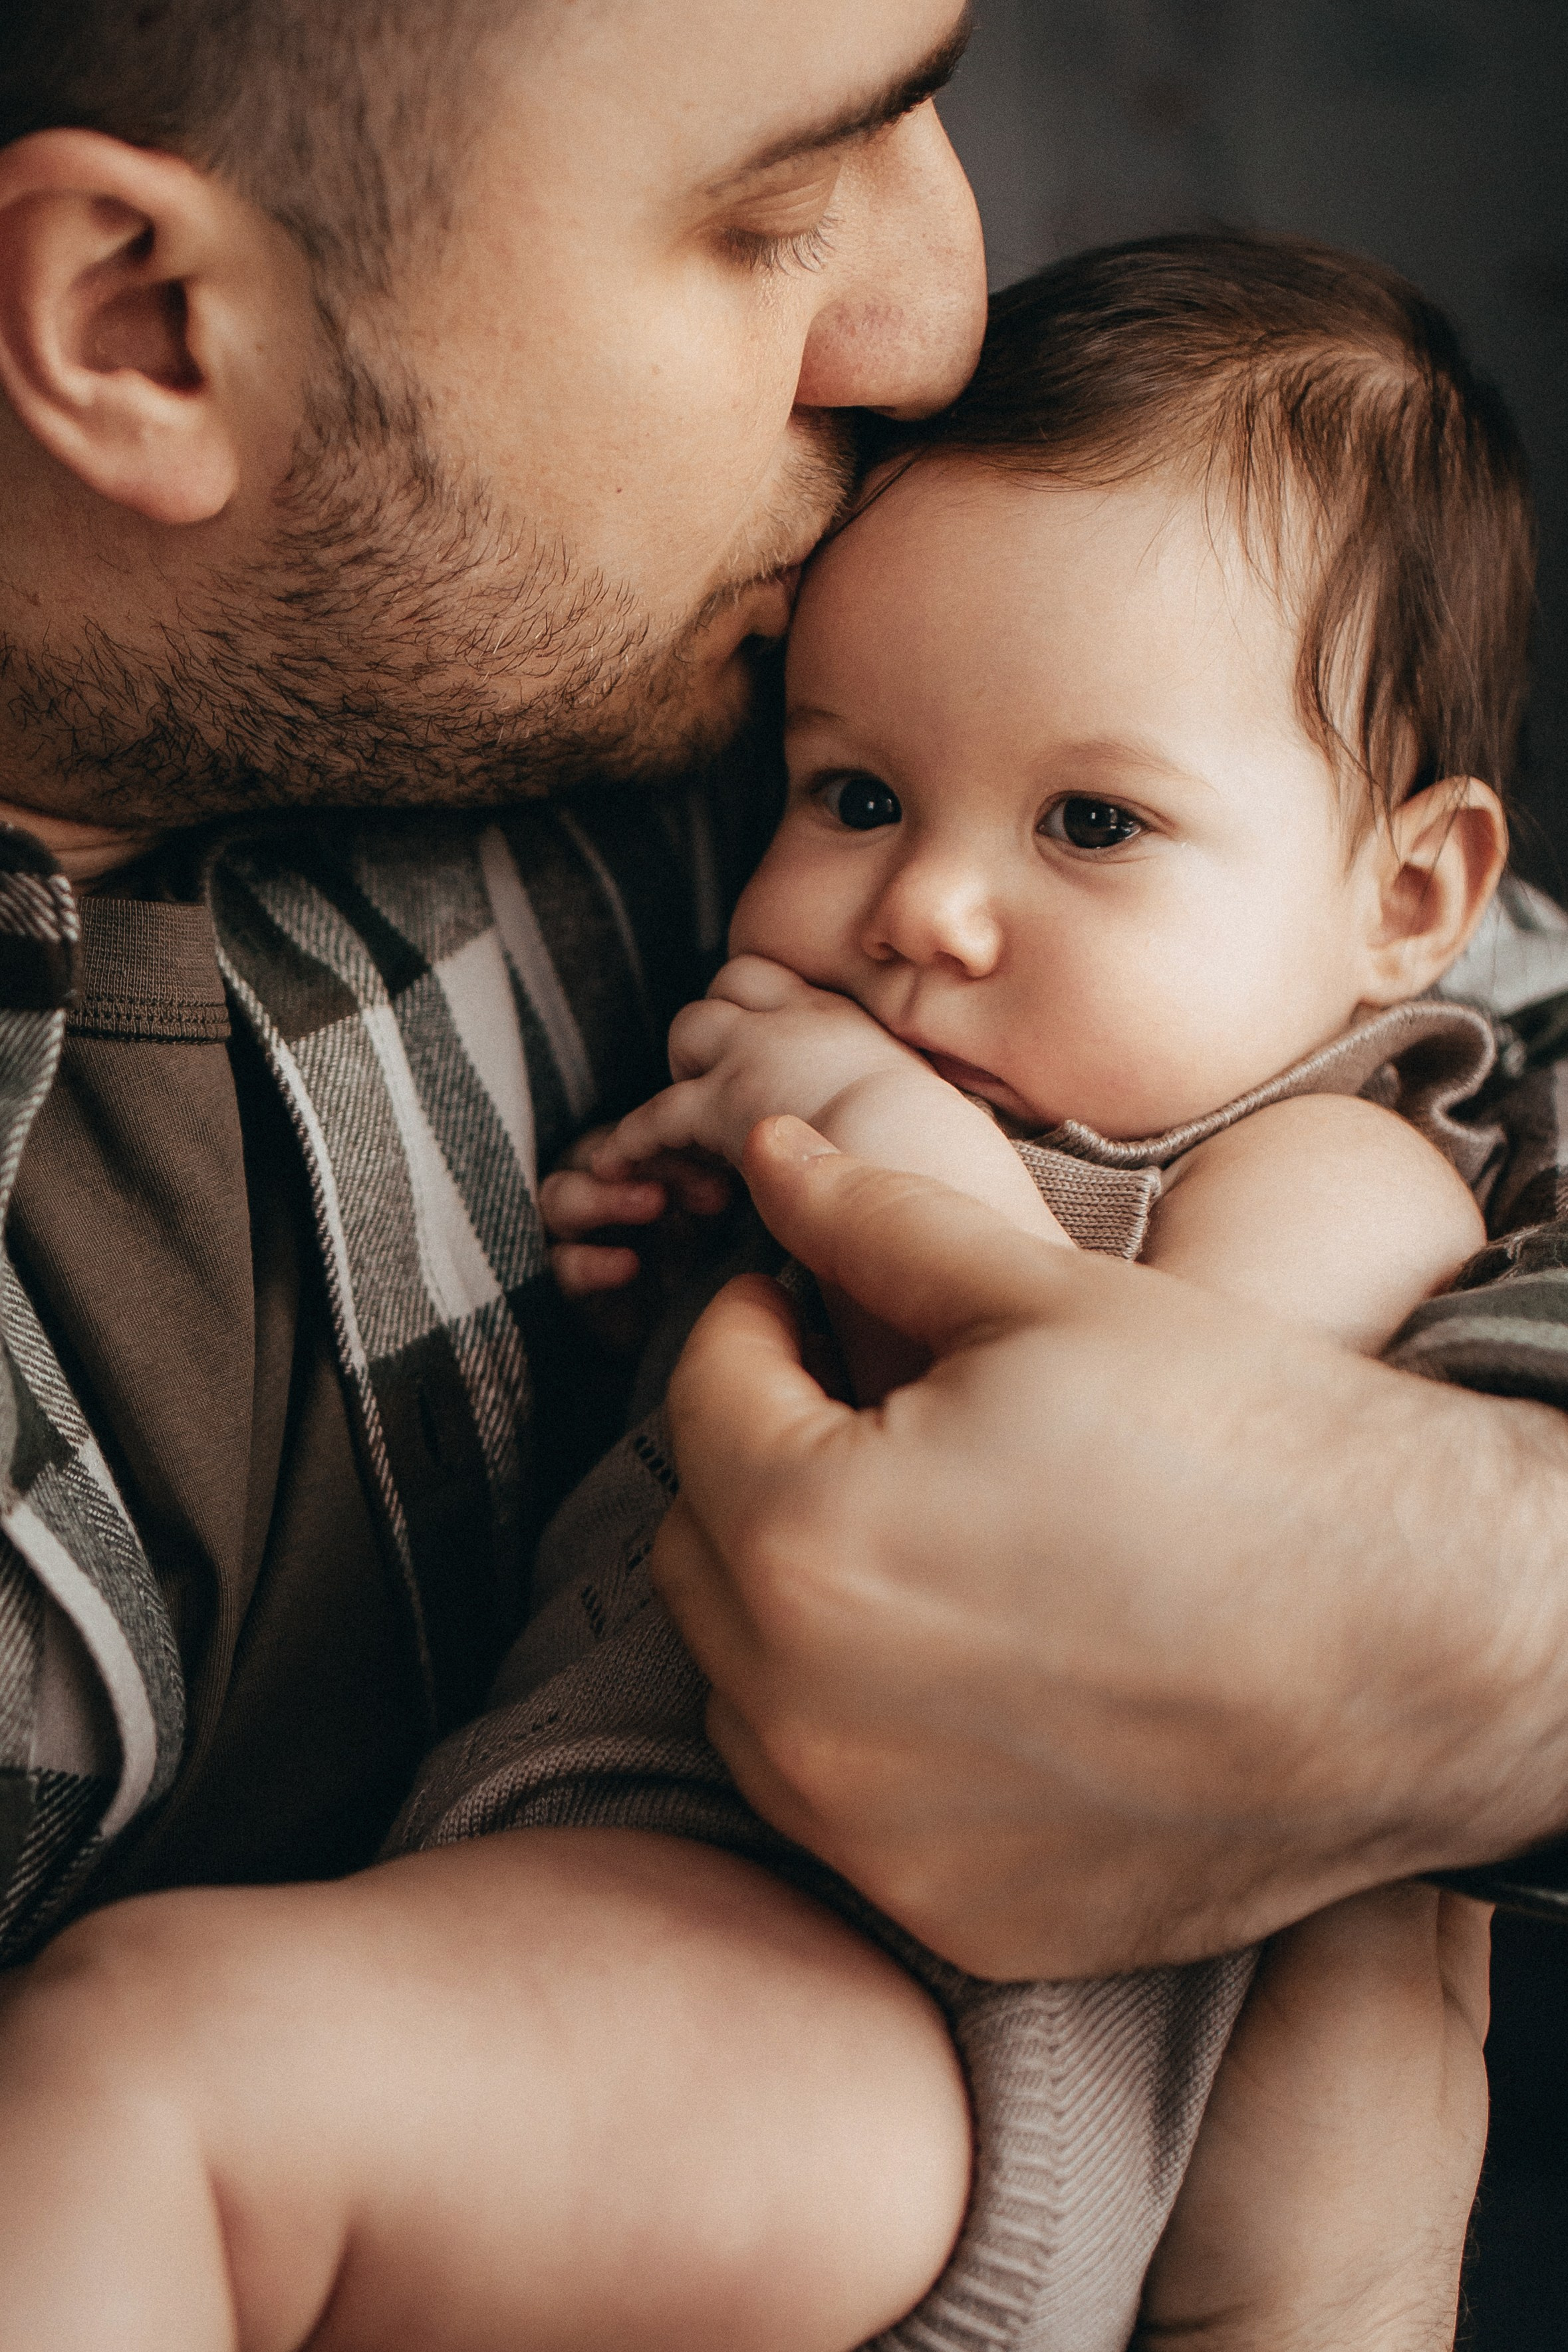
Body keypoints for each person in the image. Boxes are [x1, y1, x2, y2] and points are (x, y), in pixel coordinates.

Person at [0, 235, 1505, 2352]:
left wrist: (851, 1136)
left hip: (892, 2011)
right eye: (855, 793)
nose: (927, 912)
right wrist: (667, 1289)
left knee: (134, 2074)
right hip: (664, 1939)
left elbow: (1131, 1494)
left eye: (1094, 821)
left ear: (1411, 893)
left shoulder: (1345, 1173)